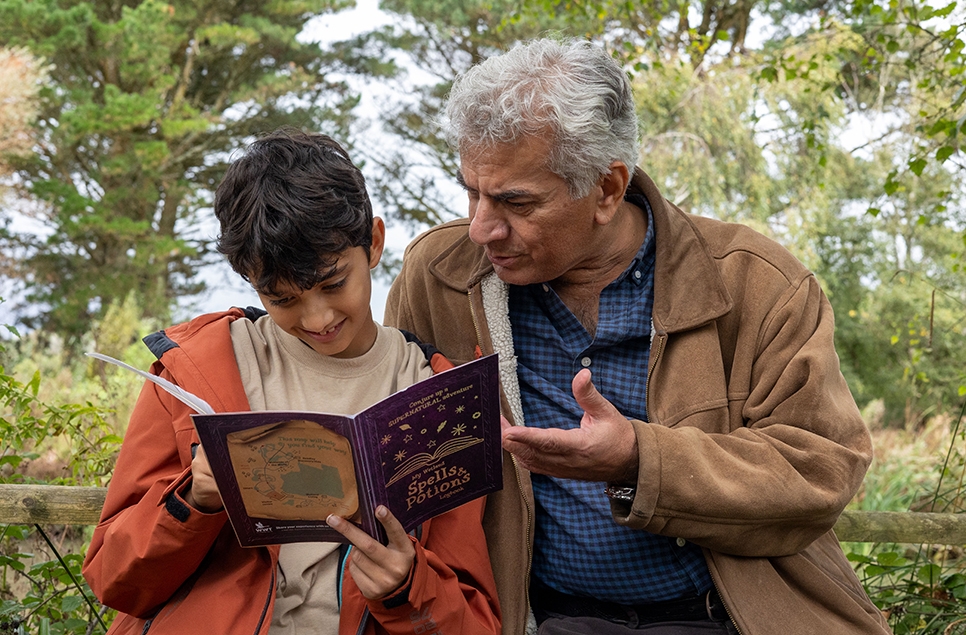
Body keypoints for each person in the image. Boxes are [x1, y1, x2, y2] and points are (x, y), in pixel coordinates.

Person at [383, 38, 891, 635]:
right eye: (472, 190)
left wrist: (636, 459)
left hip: (730, 617)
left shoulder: (755, 281)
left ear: (606, 189)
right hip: (547, 620)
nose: (481, 227)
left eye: (516, 202)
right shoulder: (440, 276)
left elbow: (821, 470)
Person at [82, 129, 501, 635]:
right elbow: (114, 581)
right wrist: (194, 499)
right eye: (282, 299)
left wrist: (406, 586)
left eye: (333, 284)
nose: (318, 317)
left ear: (373, 243)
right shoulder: (196, 373)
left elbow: (474, 623)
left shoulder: (438, 397)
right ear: (250, 280)